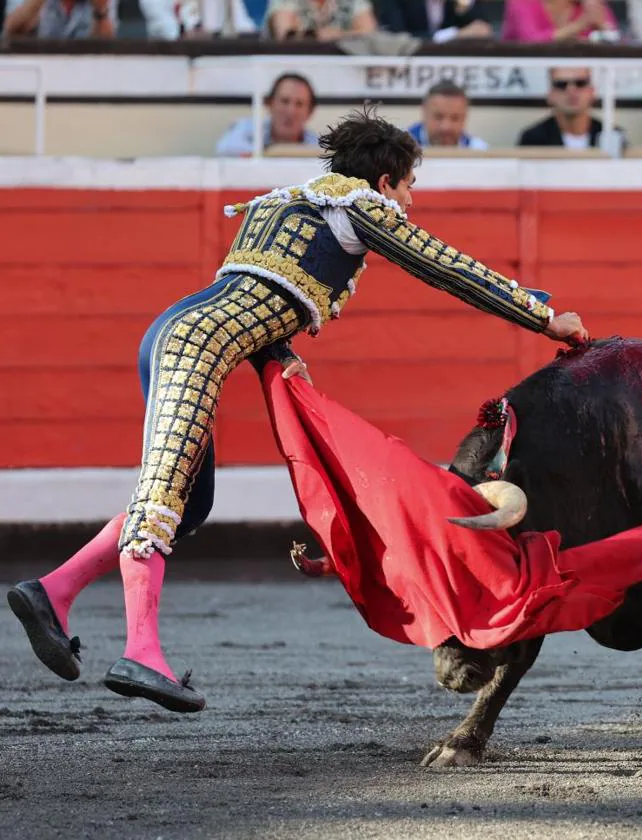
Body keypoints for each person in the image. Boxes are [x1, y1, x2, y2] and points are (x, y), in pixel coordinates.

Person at [6, 106, 590, 715]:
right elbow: (443, 266)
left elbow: (256, 291)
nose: (410, 201)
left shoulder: (279, 203)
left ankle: (54, 590)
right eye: (410, 185)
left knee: (190, 501)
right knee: (162, 496)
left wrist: (280, 352)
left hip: (178, 333)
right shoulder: (360, 205)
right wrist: (543, 315)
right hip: (197, 345)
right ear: (385, 179)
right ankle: (142, 651)